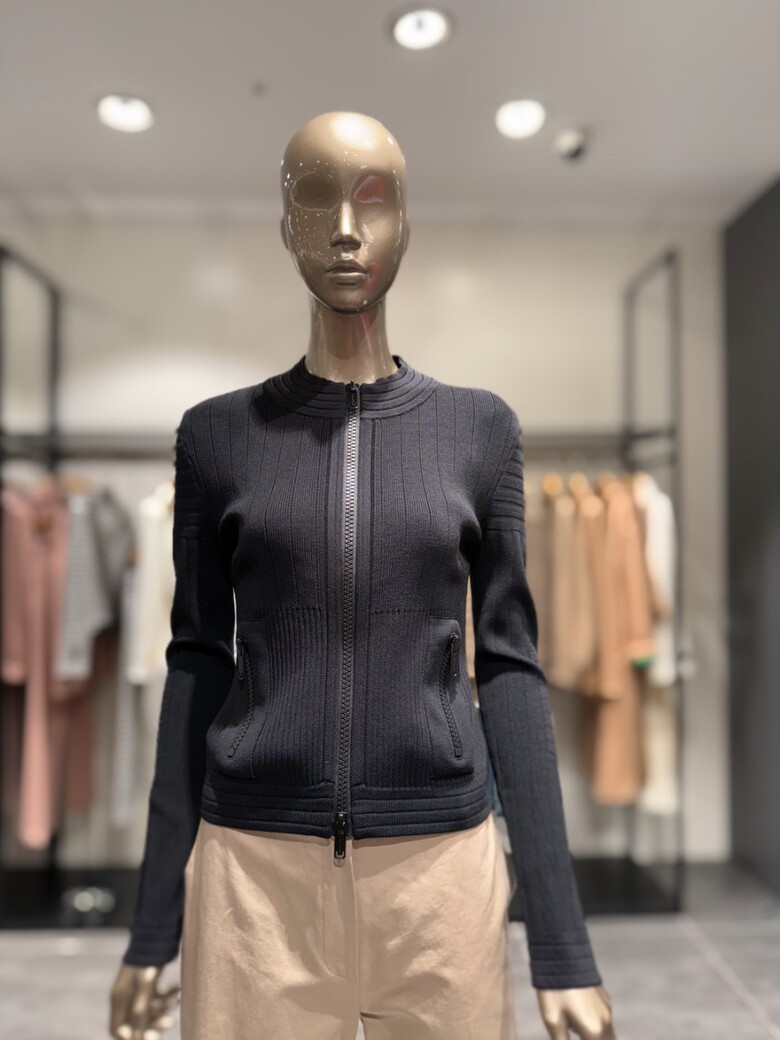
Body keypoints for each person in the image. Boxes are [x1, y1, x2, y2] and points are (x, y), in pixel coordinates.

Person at [109, 111, 615, 1040]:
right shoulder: (217, 436)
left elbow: (510, 670)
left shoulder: (479, 431)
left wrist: (562, 946)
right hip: (254, 880)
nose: (346, 228)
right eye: (316, 199)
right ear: (285, 226)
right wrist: (152, 929)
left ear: (406, 226)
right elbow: (197, 665)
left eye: (373, 201)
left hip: (439, 879)